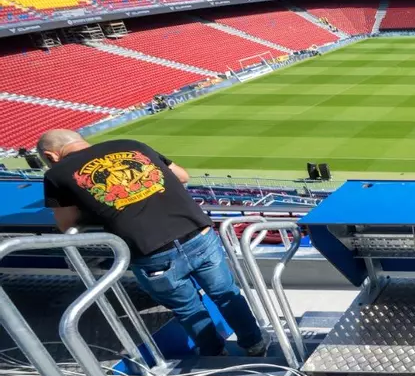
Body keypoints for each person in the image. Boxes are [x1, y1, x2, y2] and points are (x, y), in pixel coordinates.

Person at [37, 130, 265, 357]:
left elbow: (67, 224)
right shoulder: (131, 144)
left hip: (151, 251)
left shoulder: (56, 174)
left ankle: (213, 355)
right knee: (226, 294)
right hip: (197, 233)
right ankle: (255, 344)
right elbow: (182, 176)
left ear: (50, 156)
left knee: (187, 308)